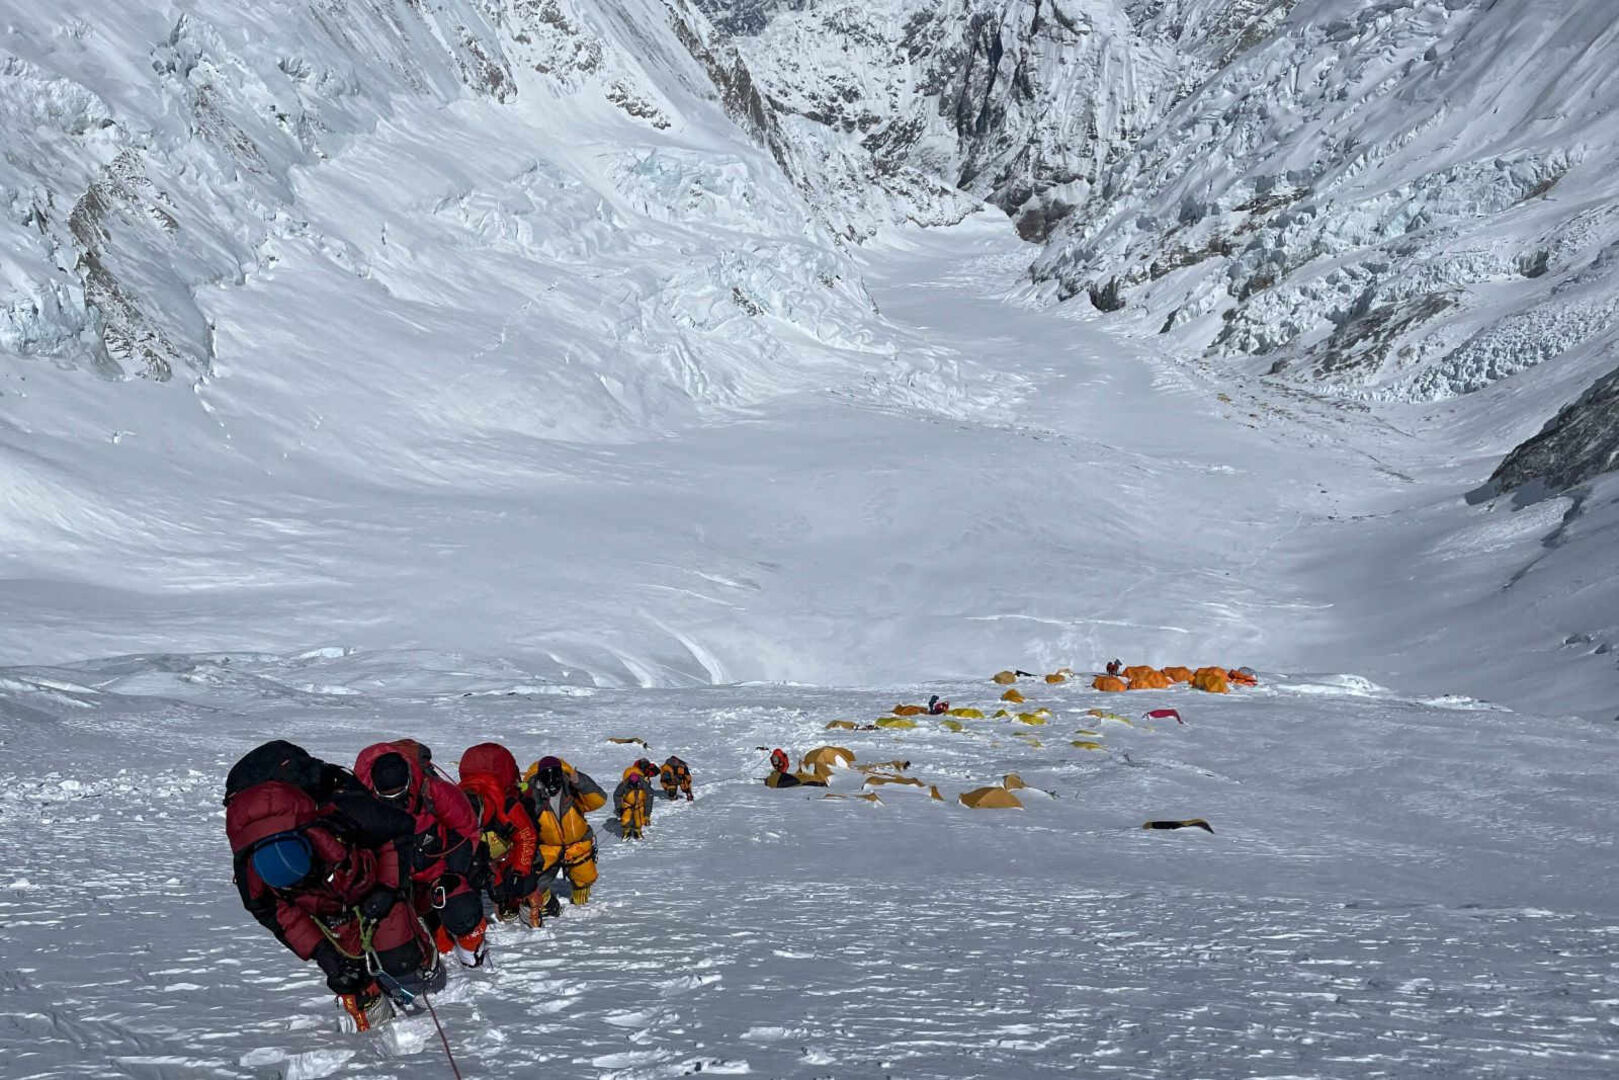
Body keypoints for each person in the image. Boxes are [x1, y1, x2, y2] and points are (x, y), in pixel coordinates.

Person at [226, 778, 442, 1031]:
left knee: (401, 957)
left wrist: (387, 888)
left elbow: (398, 831)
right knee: (343, 970)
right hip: (325, 906)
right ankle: (370, 1012)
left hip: (367, 883)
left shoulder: (343, 816)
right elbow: (279, 916)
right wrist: (322, 952)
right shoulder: (252, 879)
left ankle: (417, 944)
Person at [355, 741, 488, 968]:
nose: (396, 800)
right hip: (392, 884)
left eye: (399, 792)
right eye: (387, 796)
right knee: (395, 949)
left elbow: (466, 829)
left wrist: (454, 872)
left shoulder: (434, 791)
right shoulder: (359, 805)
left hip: (436, 874)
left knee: (462, 909)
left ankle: (471, 950)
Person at [458, 742, 556, 928]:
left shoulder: (508, 805)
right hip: (489, 852)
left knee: (524, 881)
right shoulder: (454, 804)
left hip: (510, 848)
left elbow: (527, 836)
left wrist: (520, 871)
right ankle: (503, 902)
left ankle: (538, 904)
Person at [522, 756, 606, 905]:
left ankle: (580, 903)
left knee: (584, 878)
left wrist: (579, 781)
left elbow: (599, 800)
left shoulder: (572, 788)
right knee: (534, 883)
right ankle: (546, 902)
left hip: (577, 844)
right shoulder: (532, 794)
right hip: (546, 847)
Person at [614, 766, 653, 839]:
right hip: (627, 805)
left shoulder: (644, 786)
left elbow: (649, 799)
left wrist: (647, 813)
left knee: (639, 819)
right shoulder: (624, 785)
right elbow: (617, 795)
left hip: (639, 805)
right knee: (625, 819)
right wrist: (619, 807)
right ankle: (626, 831)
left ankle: (637, 831)